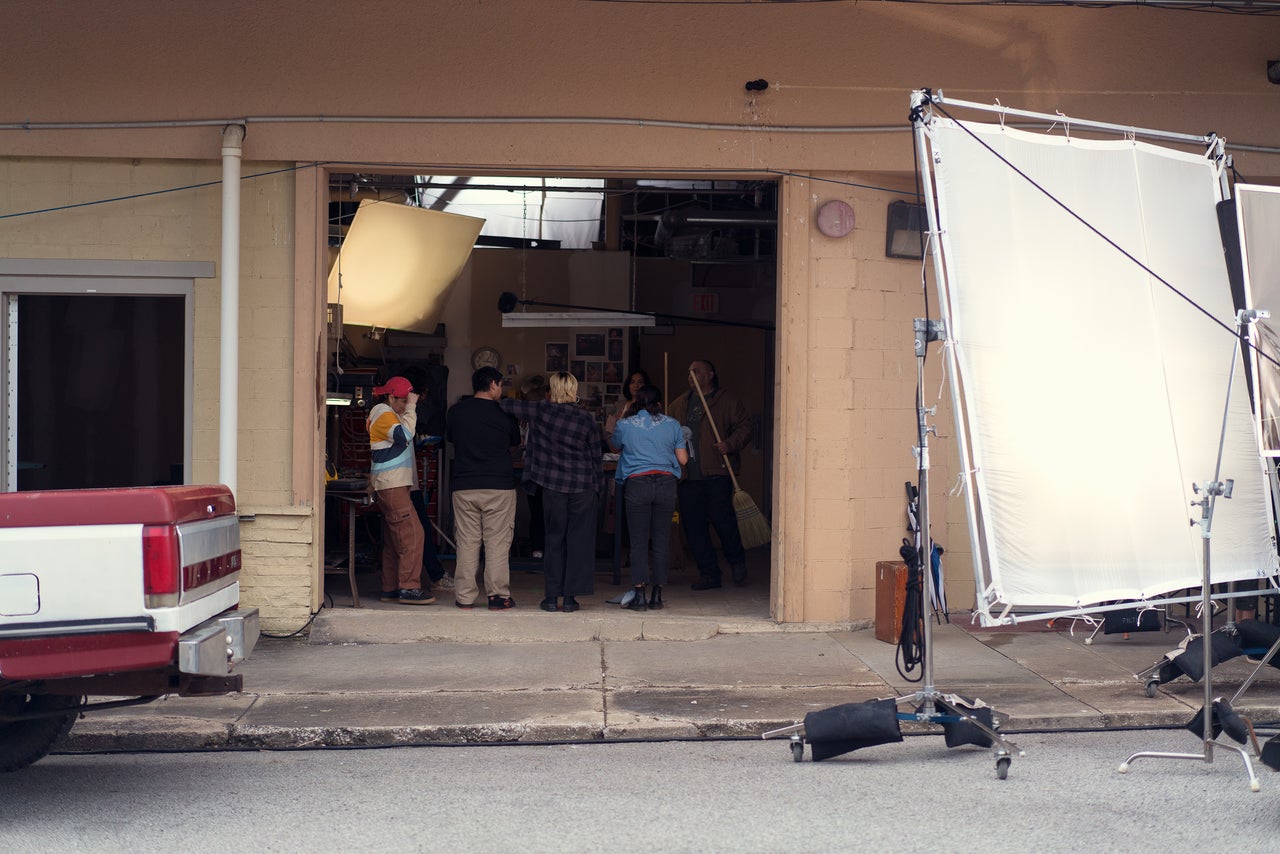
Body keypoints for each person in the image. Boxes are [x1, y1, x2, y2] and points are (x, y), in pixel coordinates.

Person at [501, 371, 604, 613]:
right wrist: (599, 487)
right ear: (573, 389)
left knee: (554, 540)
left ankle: (550, 598)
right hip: (582, 486)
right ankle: (569, 599)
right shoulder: (585, 418)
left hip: (553, 486)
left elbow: (507, 405)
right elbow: (595, 457)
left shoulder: (540, 411)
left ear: (552, 389)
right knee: (578, 542)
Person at [667, 359, 752, 589]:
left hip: (717, 472)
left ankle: (737, 564)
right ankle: (709, 573)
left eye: (696, 371)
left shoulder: (726, 401)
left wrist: (730, 444)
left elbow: (745, 427)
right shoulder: (679, 404)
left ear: (710, 375)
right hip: (688, 476)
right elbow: (667, 433)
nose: (690, 376)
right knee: (693, 526)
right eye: (688, 372)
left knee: (723, 521)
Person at [446, 366, 521, 610]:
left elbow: (451, 439)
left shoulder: (456, 412)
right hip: (499, 486)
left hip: (465, 486)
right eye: (500, 385)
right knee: (497, 543)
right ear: (492, 385)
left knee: (467, 542)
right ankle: (498, 596)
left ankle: (465, 597)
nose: (501, 389)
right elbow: (515, 442)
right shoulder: (504, 414)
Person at [610, 385, 688, 611]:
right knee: (661, 539)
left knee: (638, 541)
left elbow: (615, 447)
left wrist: (625, 414)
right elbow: (682, 460)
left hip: (637, 484)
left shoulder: (624, 424)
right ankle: (657, 595)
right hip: (665, 485)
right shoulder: (673, 424)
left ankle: (640, 595)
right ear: (660, 404)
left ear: (634, 403)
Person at [367, 376, 435, 605]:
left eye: (409, 401)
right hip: (392, 485)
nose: (406, 405)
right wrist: (413, 407)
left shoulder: (389, 413)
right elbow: (405, 435)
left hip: (392, 484)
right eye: (403, 401)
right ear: (390, 397)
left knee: (394, 538)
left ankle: (390, 588)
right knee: (413, 535)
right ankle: (409, 587)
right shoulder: (382, 412)